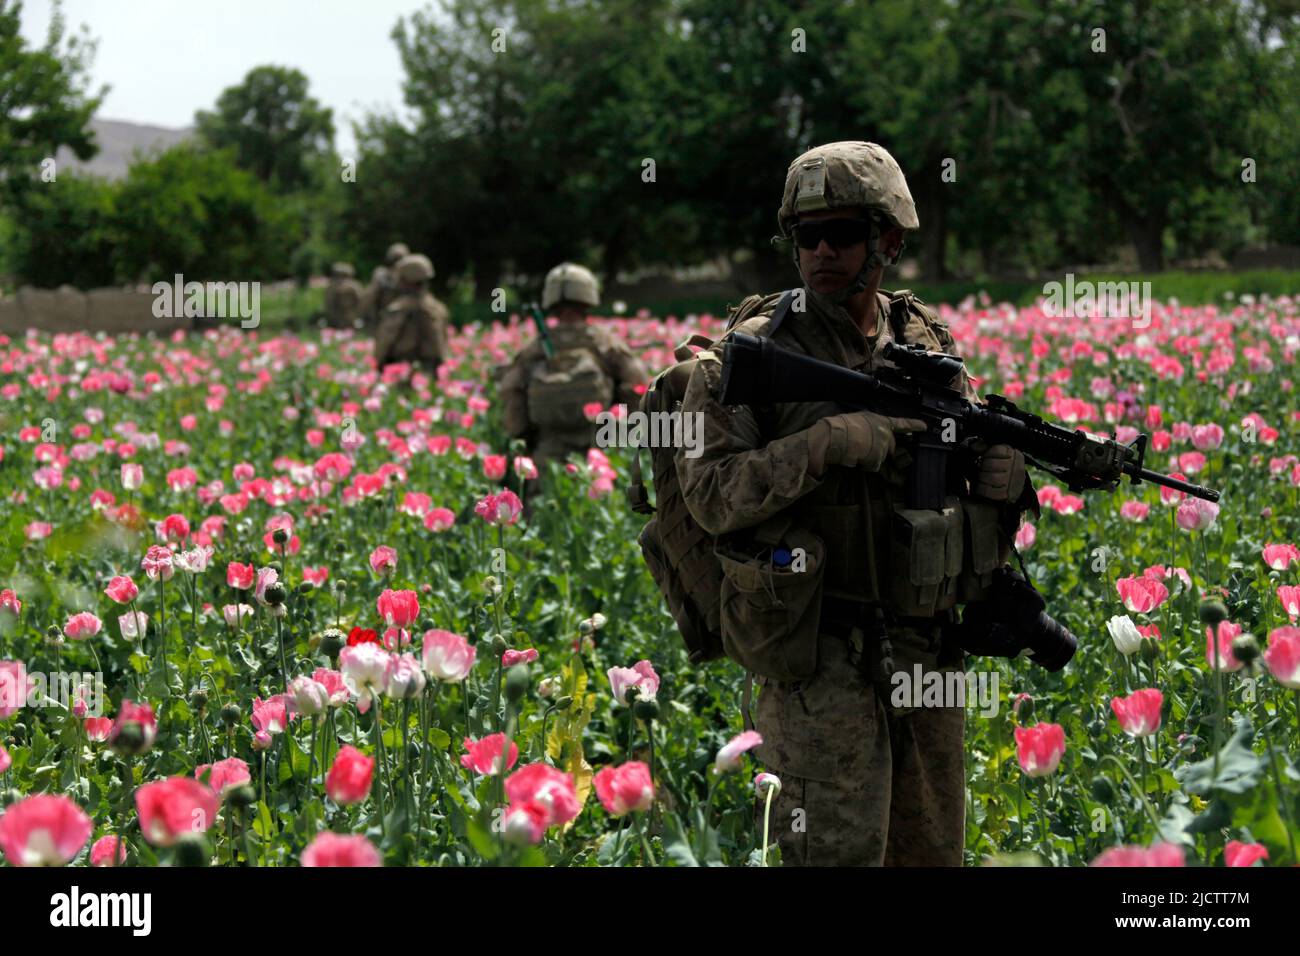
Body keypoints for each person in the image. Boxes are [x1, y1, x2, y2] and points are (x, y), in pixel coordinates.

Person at [674, 141, 1036, 866]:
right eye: (806, 237)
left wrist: (1005, 476)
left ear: (888, 241)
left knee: (932, 852)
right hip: (818, 655)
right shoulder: (745, 358)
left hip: (928, 644)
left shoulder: (925, 342)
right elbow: (711, 495)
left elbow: (963, 460)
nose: (821, 251)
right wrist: (828, 443)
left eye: (842, 233)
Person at [497, 262, 649, 467]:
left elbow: (510, 391)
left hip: (547, 456)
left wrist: (524, 440)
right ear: (589, 297)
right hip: (600, 454)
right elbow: (638, 388)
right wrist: (624, 439)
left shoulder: (534, 349)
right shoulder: (605, 344)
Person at [372, 253, 450, 376]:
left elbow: (384, 343)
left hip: (400, 369)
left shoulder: (398, 309)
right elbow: (443, 343)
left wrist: (379, 365)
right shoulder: (438, 309)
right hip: (430, 370)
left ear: (404, 280)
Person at [362, 242, 411, 330]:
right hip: (391, 318)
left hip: (390, 319)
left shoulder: (381, 274)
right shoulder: (382, 274)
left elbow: (368, 299)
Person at [324, 262, 363, 329]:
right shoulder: (354, 285)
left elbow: (361, 301)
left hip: (350, 316)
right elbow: (329, 304)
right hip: (340, 317)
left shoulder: (354, 286)